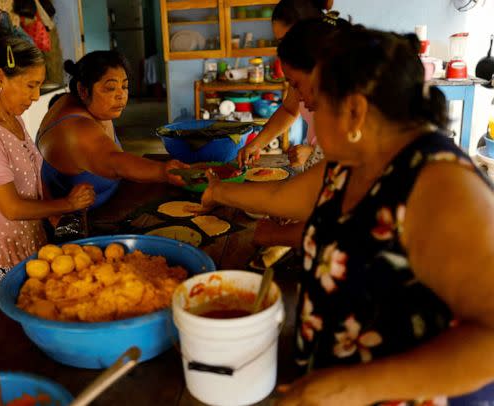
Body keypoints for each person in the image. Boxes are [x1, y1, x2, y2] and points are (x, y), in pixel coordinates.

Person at [199, 26, 494, 404]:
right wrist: (216, 190)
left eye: (317, 106)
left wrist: (347, 387)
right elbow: (279, 195)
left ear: (354, 110)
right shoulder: (355, 161)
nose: (312, 116)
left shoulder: (439, 185)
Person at [0, 31, 94, 322]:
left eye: (39, 85)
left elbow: (34, 177)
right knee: (6, 339)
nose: (36, 96)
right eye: (30, 85)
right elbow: (12, 207)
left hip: (31, 248)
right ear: (0, 78)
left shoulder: (13, 119)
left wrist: (56, 221)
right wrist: (67, 204)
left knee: (38, 324)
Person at [36, 51, 187, 210]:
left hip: (112, 196)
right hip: (81, 221)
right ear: (83, 90)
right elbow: (114, 162)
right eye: (110, 88)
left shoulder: (92, 105)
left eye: (125, 86)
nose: (121, 95)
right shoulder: (75, 127)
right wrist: (163, 171)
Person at [237, 1, 335, 171]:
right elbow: (290, 109)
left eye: (286, 40)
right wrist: (257, 144)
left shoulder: (338, 76)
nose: (300, 96)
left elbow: (359, 148)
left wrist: (316, 154)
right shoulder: (302, 69)